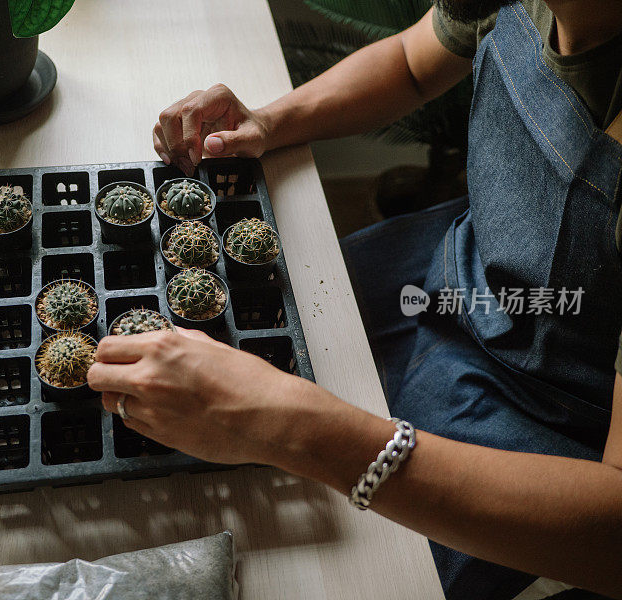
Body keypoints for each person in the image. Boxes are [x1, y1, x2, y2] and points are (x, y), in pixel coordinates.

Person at [87, 0, 622, 597]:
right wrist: (268, 123)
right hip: (451, 273)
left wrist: (294, 426)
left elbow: (612, 536)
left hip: (546, 408)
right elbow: (411, 62)